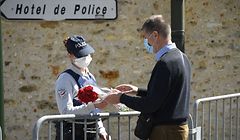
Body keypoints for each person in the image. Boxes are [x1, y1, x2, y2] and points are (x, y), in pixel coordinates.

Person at [104, 15, 191, 140]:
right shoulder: (182, 57)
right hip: (178, 129)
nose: (146, 42)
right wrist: (137, 91)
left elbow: (151, 104)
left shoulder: (165, 63)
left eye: (145, 37)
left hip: (165, 131)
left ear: (155, 35)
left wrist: (121, 98)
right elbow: (165, 94)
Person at [55, 35, 109, 140]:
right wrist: (92, 106)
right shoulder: (65, 79)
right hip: (73, 132)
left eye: (86, 54)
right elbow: (65, 111)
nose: (85, 58)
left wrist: (101, 129)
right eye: (80, 55)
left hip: (90, 131)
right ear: (70, 56)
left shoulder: (90, 76)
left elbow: (95, 110)